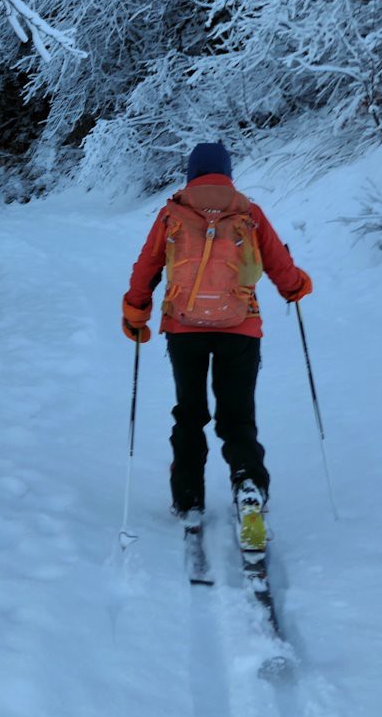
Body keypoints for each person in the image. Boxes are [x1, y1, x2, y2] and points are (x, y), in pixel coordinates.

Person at [120, 141, 311, 551]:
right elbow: (278, 263)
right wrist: (296, 287)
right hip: (241, 328)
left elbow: (147, 267)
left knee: (190, 413)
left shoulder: (173, 212)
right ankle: (248, 485)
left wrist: (136, 310)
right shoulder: (248, 212)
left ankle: (188, 498)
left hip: (183, 328)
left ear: (192, 173)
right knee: (237, 415)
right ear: (227, 173)